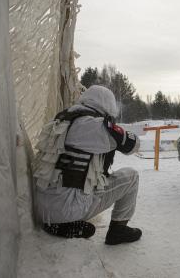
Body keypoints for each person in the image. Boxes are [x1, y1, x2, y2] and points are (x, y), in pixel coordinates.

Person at [33, 85, 142, 244]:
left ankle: (56, 221)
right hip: (69, 208)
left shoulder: (62, 118)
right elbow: (133, 145)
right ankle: (118, 231)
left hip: (41, 205)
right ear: (107, 106)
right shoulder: (94, 125)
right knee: (131, 176)